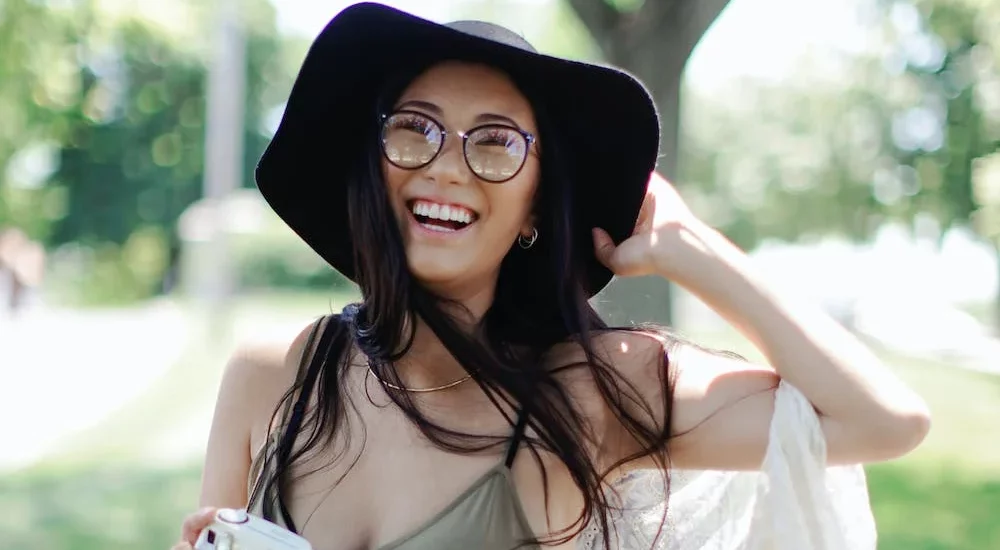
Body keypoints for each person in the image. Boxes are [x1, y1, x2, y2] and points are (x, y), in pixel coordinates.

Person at [173, 4, 930, 549]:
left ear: (535, 208)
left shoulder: (594, 392)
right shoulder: (271, 377)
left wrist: (694, 248)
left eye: (495, 144)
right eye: (415, 129)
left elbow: (882, 420)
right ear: (373, 167)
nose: (447, 166)